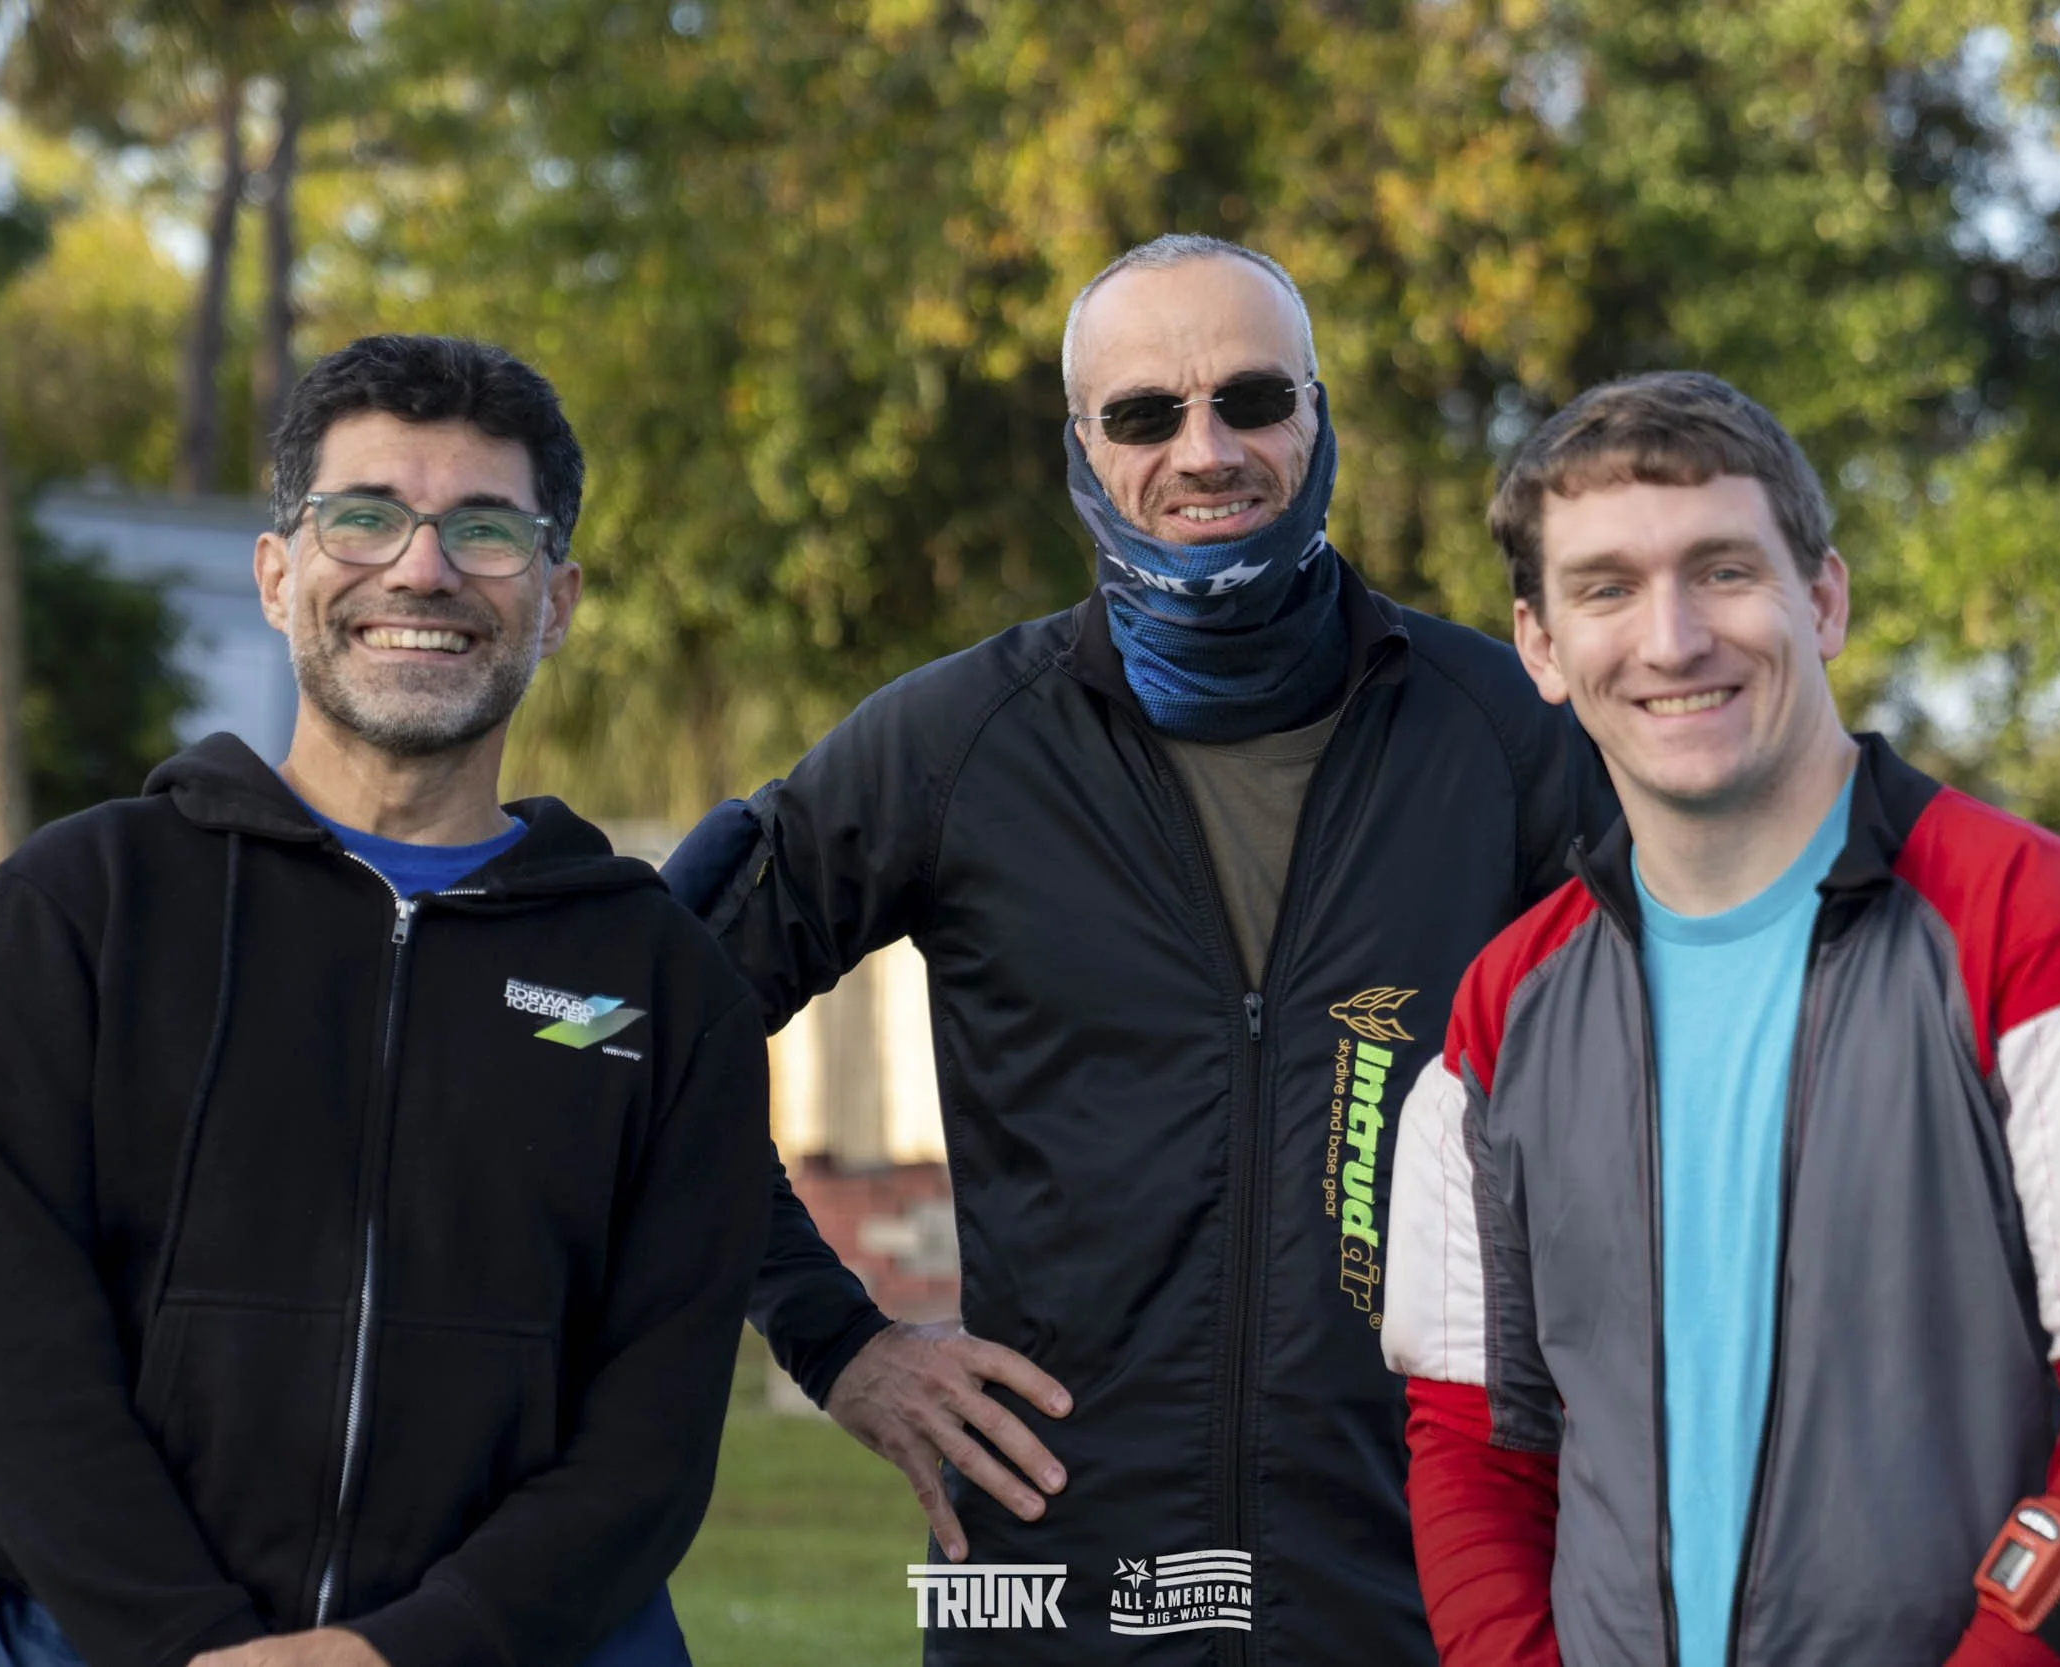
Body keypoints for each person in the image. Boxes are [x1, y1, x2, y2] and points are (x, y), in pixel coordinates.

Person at [660, 235, 1613, 1665]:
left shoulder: (1505, 733)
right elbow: (652, 1035)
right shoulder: (956, 743)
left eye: (1252, 399)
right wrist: (835, 1341)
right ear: (1082, 448)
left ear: (1319, 414)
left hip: (1417, 1587)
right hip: (1048, 1593)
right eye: (1146, 415)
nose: (1207, 449)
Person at [0, 334, 768, 1667]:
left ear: (557, 599)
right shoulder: (83, 907)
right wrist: (191, 1643)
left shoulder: (659, 984)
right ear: (277, 573)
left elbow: (651, 1437)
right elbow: (2, 1353)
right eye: (364, 516)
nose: (420, 568)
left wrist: (397, 1654)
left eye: (486, 529)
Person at [1382, 370, 2060, 1665]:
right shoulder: (1497, 1019)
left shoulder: (2043, 938)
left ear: (1823, 597)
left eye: (1724, 570)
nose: (1672, 639)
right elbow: (1474, 1441)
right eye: (1608, 587)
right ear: (1542, 649)